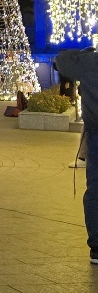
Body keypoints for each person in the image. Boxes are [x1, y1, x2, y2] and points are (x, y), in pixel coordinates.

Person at [55, 47, 98, 264]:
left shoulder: (90, 61)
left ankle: (97, 247)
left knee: (95, 190)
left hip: (96, 134)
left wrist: (83, 52)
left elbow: (61, 60)